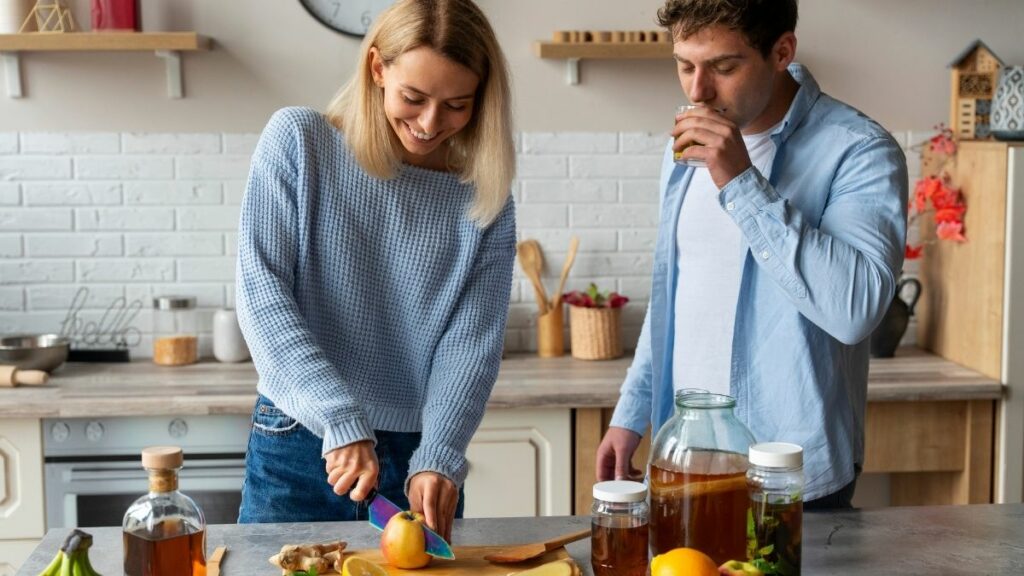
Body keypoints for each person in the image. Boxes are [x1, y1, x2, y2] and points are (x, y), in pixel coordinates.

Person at [596, 0, 907, 509]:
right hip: (687, 463)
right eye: (684, 65)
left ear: (782, 51)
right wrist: (631, 413)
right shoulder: (681, 149)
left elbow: (855, 313)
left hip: (791, 476)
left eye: (723, 66)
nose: (698, 90)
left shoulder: (859, 150)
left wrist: (741, 181)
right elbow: (678, 293)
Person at [234, 0, 515, 540]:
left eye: (457, 104)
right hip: (302, 435)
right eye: (414, 98)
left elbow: (471, 342)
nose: (431, 123)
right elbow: (262, 294)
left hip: (421, 456)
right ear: (378, 69)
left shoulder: (485, 195)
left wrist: (440, 454)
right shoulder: (300, 141)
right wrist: (338, 416)